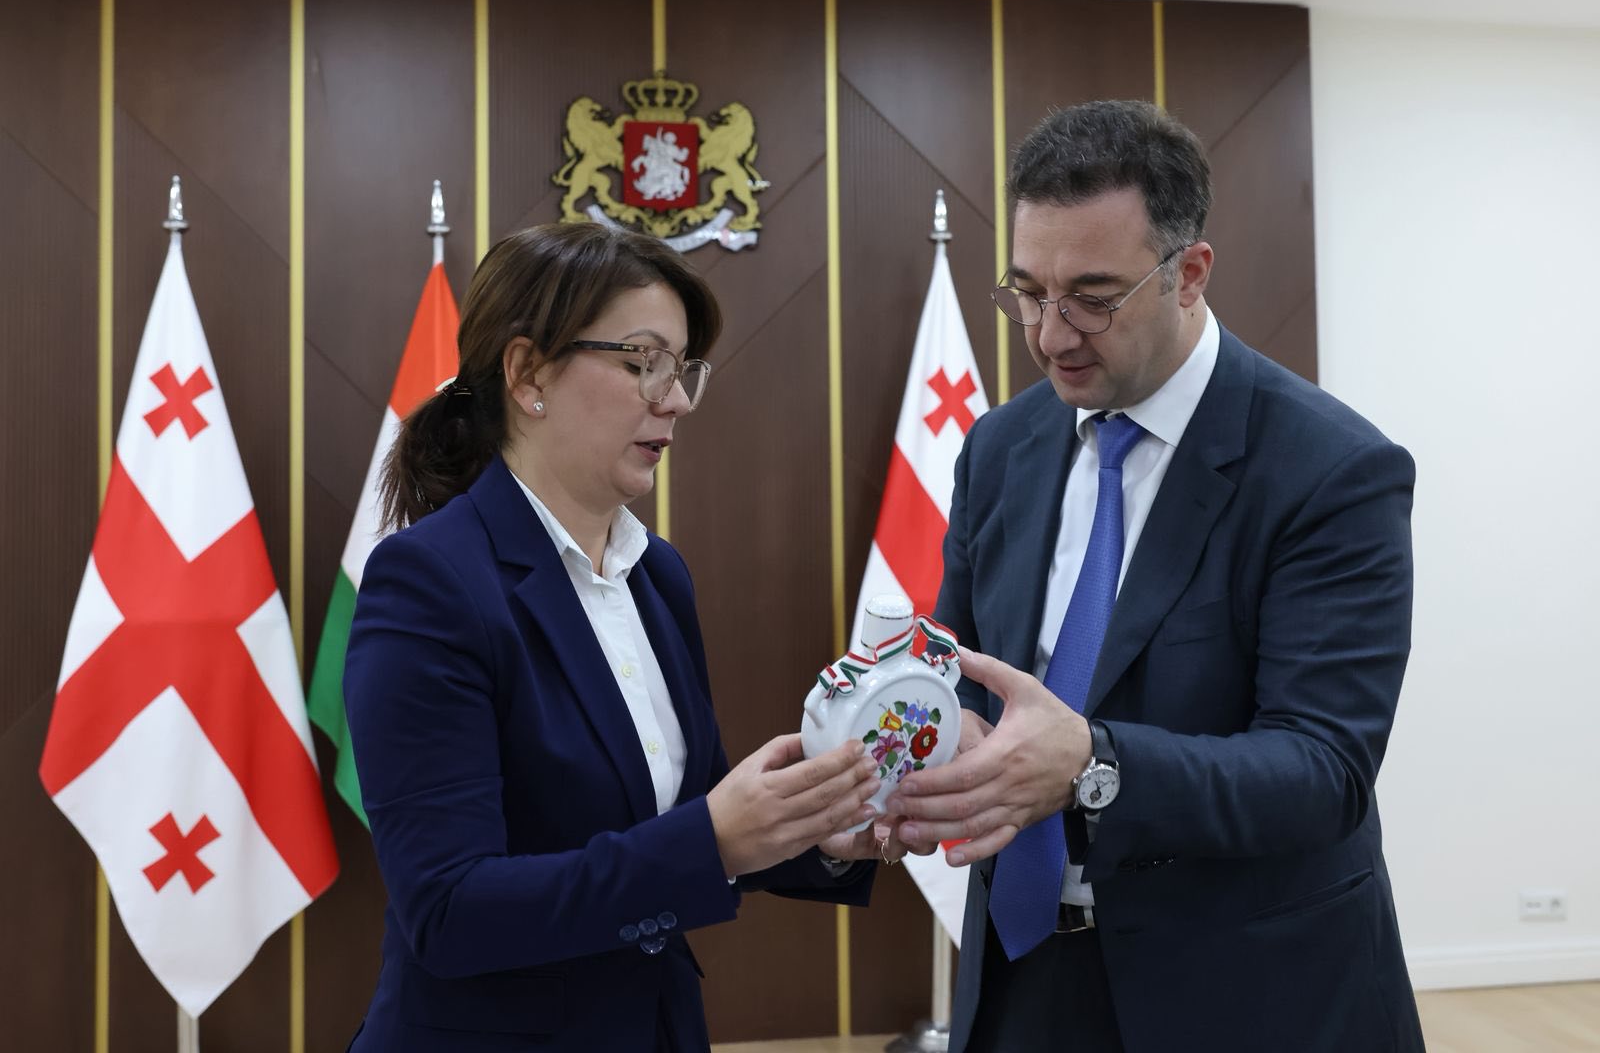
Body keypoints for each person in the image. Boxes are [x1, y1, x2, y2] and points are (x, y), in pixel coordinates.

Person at [884, 100, 1426, 1052]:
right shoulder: (998, 448)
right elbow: (960, 666)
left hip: (1248, 994)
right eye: (1027, 292)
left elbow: (1323, 770)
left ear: (1190, 274)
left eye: (1092, 297)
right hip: (1019, 972)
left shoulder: (1331, 470)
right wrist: (936, 736)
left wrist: (1092, 765)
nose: (1050, 336)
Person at [342, 222, 889, 1052]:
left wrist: (822, 833)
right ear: (528, 374)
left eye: (683, 370)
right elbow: (449, 910)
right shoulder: (429, 582)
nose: (675, 400)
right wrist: (713, 839)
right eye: (643, 363)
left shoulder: (656, 573)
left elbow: (676, 814)